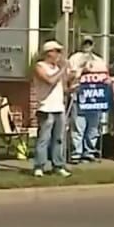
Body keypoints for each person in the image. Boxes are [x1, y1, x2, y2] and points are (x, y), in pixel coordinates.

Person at [32, 40, 71, 177]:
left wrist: (72, 85)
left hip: (58, 108)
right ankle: (39, 165)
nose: (59, 55)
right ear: (49, 53)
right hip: (45, 108)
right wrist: (62, 70)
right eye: (57, 51)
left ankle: (58, 165)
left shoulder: (57, 69)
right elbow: (49, 80)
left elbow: (64, 88)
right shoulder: (40, 66)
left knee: (58, 138)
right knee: (44, 139)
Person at [67, 36, 107, 163]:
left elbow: (105, 77)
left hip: (95, 99)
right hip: (79, 97)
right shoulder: (74, 58)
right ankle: (76, 153)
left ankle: (89, 151)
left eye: (89, 43)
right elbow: (69, 76)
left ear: (93, 45)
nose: (87, 46)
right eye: (85, 43)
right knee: (78, 126)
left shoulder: (99, 60)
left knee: (93, 127)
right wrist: (81, 70)